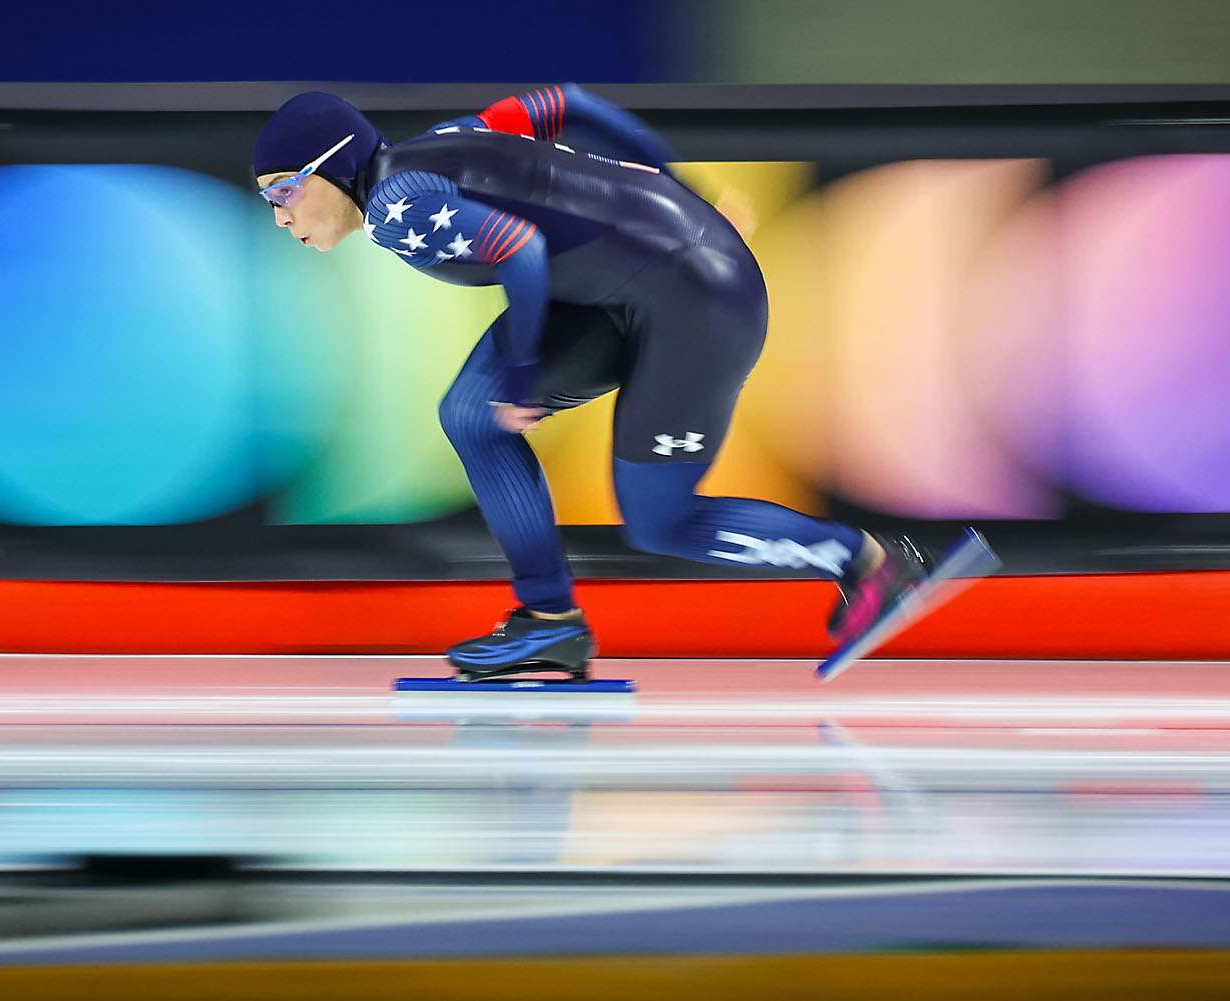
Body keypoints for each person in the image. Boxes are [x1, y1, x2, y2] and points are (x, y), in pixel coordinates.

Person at [252, 86, 927, 680]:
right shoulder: (449, 137)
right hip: (627, 290)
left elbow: (520, 250)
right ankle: (549, 620)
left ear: (335, 167)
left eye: (285, 191)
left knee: (661, 521)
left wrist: (523, 378)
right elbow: (565, 102)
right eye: (269, 200)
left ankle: (870, 563)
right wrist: (686, 184)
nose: (281, 216)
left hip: (698, 302)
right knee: (470, 414)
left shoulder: (397, 208)